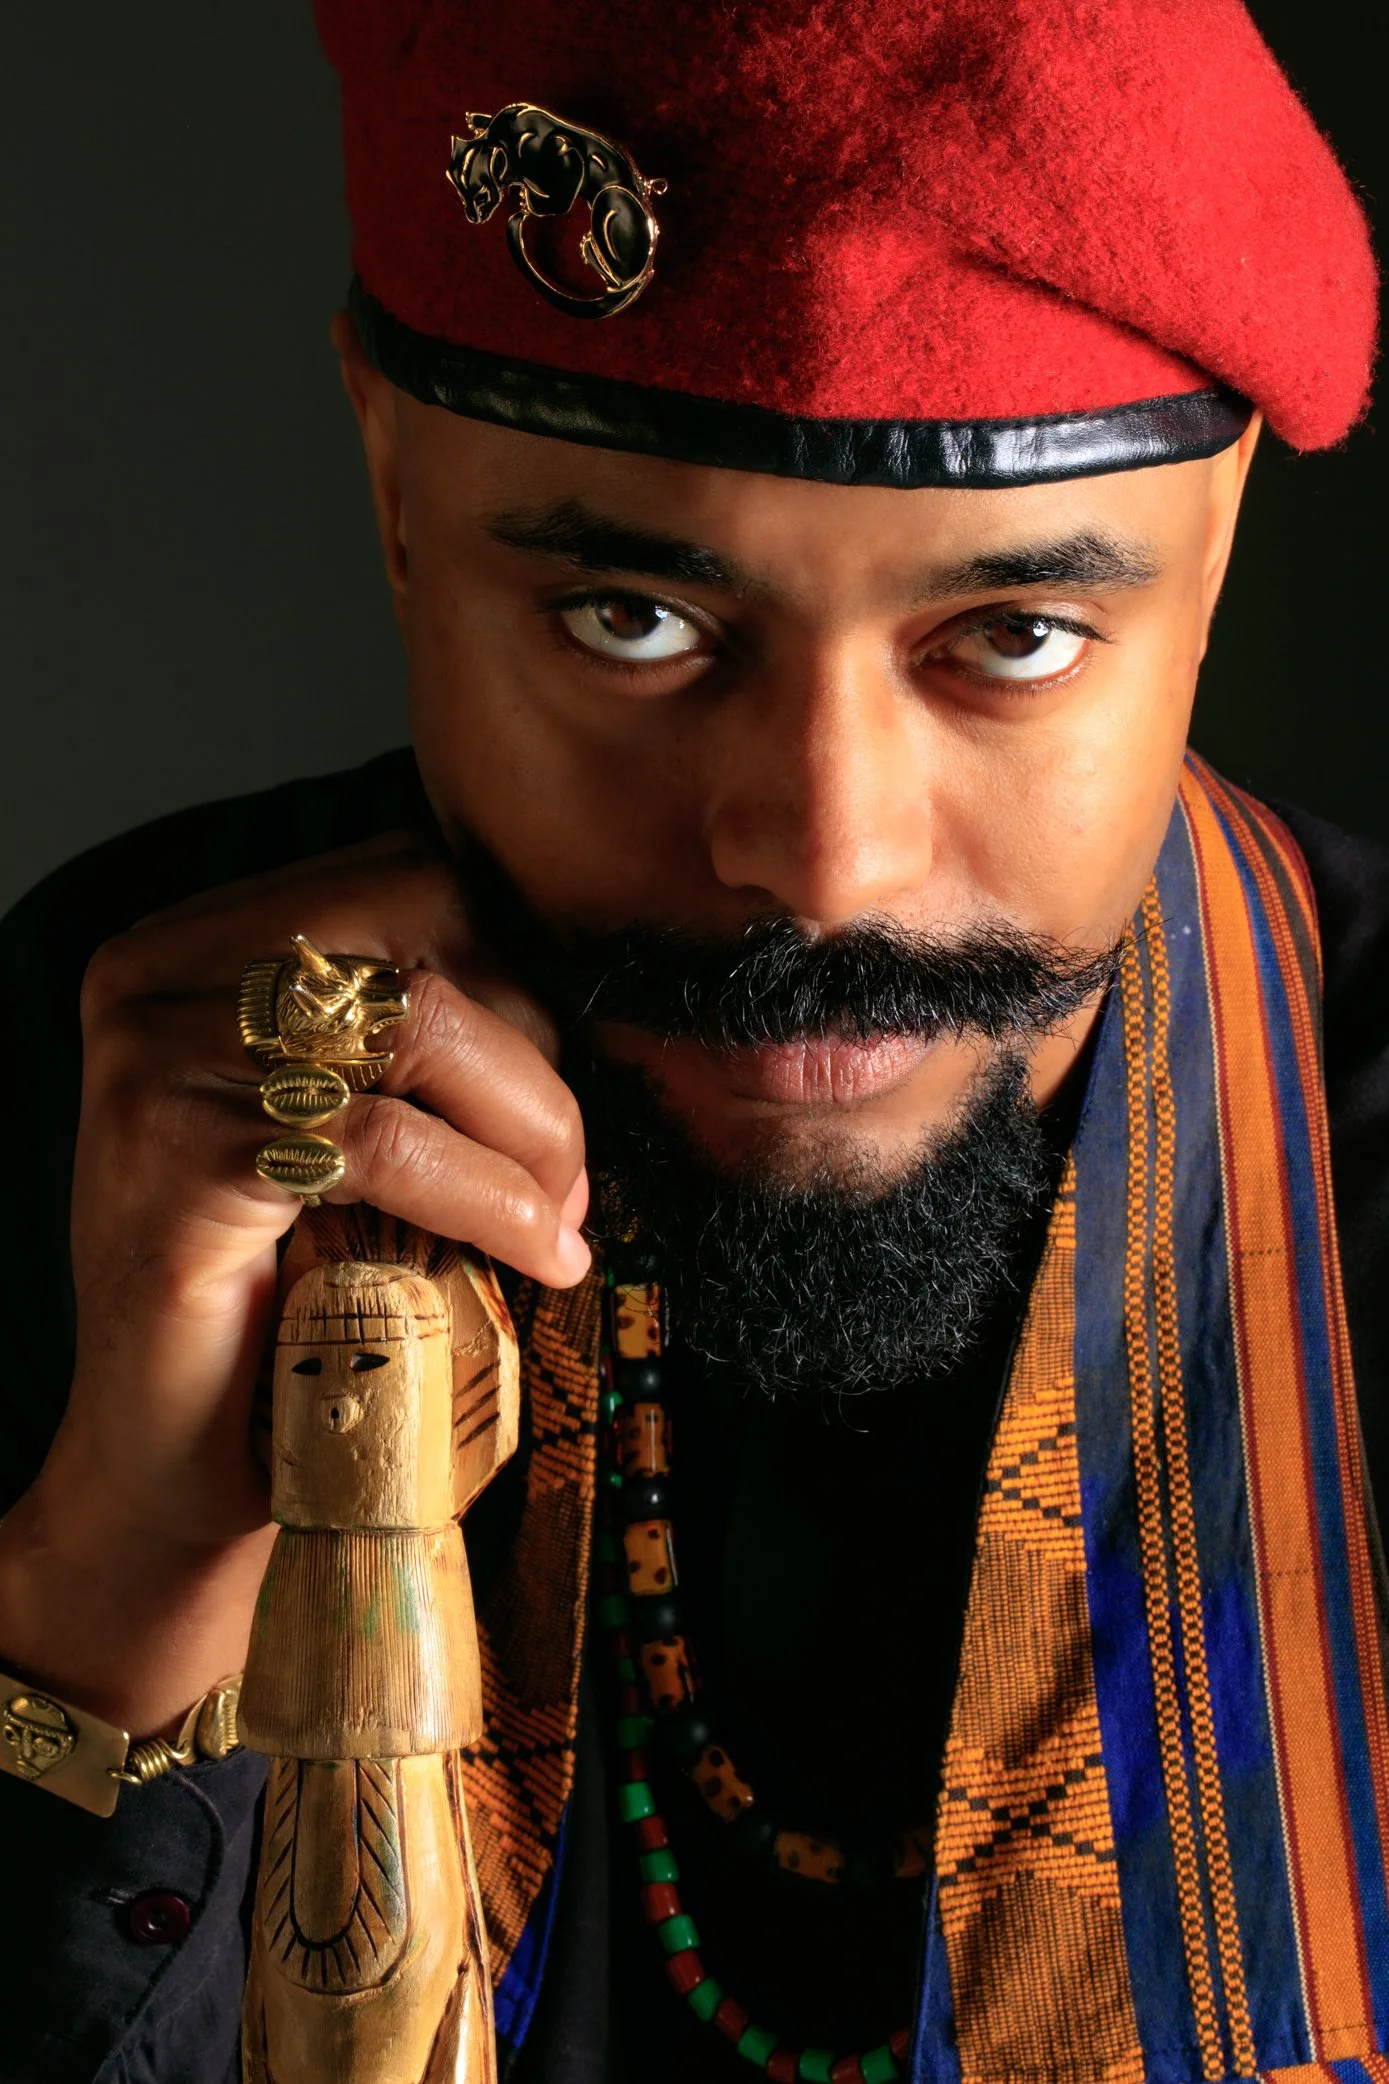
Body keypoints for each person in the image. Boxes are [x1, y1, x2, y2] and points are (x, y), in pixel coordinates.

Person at [1, 1, 1384, 2079]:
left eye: (1011, 638)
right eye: (634, 623)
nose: (821, 859)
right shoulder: (119, 1099)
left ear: (1217, 554)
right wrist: (117, 1569)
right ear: (394, 488)